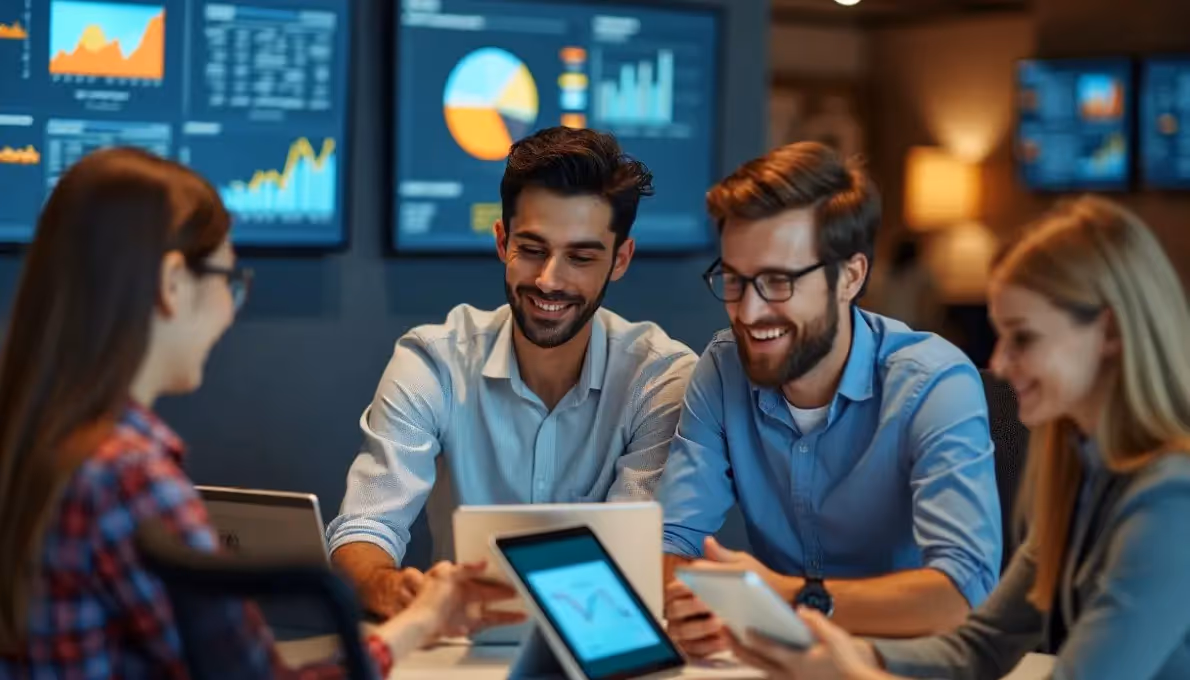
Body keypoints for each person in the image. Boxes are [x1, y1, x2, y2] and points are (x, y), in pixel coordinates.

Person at [0, 148, 520, 678]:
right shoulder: (132, 480)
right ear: (172, 282)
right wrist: (422, 621)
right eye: (228, 279)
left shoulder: (35, 445)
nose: (230, 307)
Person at [728, 196, 1190, 680]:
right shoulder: (1076, 477)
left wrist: (852, 675)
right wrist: (846, 657)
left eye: (1024, 338)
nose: (1002, 363)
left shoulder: (1170, 502)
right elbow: (979, 647)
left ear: (1110, 332)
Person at [327, 127, 698, 617]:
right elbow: (366, 525)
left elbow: (633, 558)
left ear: (620, 259)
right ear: (503, 242)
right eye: (533, 249)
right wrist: (383, 587)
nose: (549, 280)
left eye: (582, 257)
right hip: (458, 649)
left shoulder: (660, 379)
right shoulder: (433, 361)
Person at [659, 142, 1002, 656]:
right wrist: (692, 607)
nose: (749, 311)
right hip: (780, 661)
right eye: (734, 280)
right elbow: (670, 545)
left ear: (850, 276)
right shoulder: (722, 370)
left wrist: (793, 599)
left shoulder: (934, 381)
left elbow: (961, 593)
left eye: (778, 281)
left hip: (905, 666)